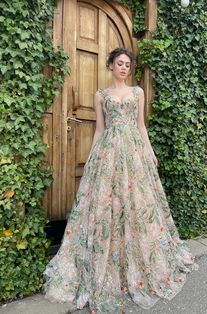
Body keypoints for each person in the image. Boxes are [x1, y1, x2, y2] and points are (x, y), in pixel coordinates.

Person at [43, 47, 198, 313]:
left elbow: (141, 125)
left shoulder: (137, 92)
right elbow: (100, 129)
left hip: (133, 152)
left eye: (128, 64)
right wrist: (93, 157)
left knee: (138, 202)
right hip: (108, 152)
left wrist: (149, 152)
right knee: (107, 203)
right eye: (120, 63)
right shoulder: (101, 95)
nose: (124, 67)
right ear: (111, 65)